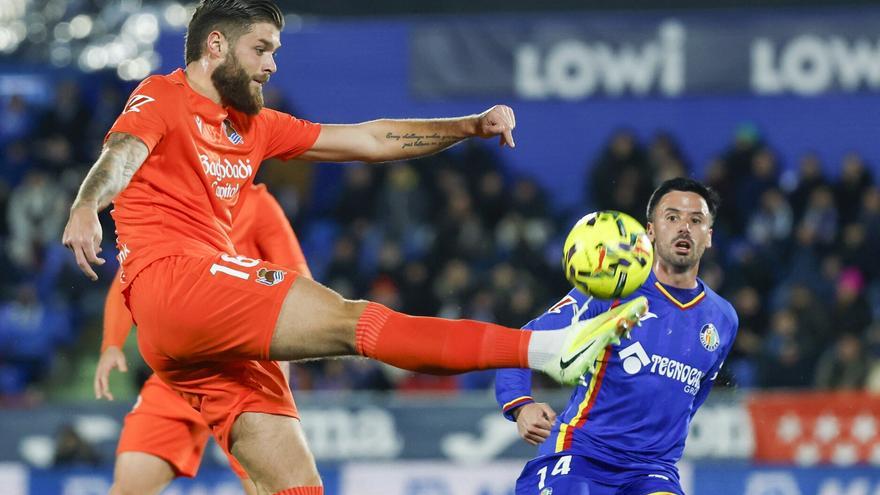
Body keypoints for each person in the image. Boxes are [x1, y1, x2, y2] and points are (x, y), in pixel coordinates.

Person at [61, 1, 647, 492]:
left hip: (191, 333)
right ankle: (544, 350)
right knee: (353, 322)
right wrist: (88, 204)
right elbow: (121, 154)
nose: (271, 65)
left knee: (297, 487)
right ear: (215, 45)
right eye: (261, 49)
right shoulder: (161, 95)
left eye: (274, 52)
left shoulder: (255, 126)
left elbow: (371, 139)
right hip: (175, 279)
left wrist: (469, 126)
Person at [496, 178, 738, 495]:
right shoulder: (610, 288)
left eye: (696, 220)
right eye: (672, 217)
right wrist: (520, 405)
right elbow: (522, 342)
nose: (684, 228)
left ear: (709, 236)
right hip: (582, 455)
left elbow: (692, 399)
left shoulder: (723, 319)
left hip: (652, 470)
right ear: (650, 231)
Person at [94, 183, 308, 495]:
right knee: (128, 489)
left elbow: (298, 279)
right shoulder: (168, 204)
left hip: (243, 372)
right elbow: (130, 274)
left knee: (267, 487)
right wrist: (112, 344)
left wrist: (279, 348)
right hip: (178, 372)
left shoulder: (256, 204)